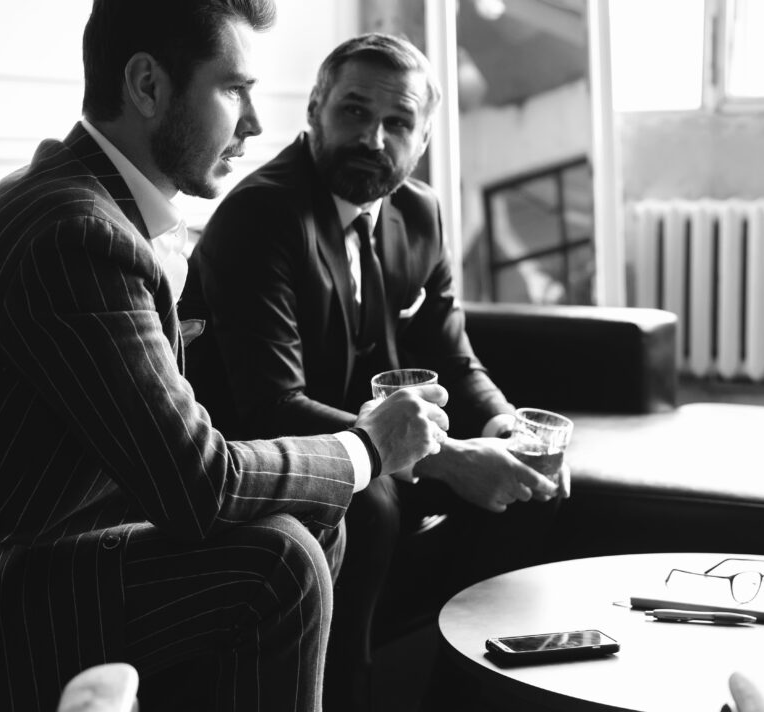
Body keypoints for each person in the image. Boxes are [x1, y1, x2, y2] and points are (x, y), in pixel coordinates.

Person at [0, 5, 449, 711]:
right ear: (148, 86)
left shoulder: (104, 211)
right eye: (234, 90)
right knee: (279, 561)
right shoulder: (75, 233)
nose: (253, 123)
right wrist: (368, 447)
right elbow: (199, 484)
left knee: (310, 515)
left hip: (34, 554)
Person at [181, 32, 568, 711]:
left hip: (389, 448)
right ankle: (348, 690)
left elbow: (455, 356)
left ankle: (473, 686)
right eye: (355, 113)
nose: (374, 137)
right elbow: (272, 403)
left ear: (422, 140)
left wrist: (506, 428)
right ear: (315, 111)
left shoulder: (420, 213)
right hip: (271, 455)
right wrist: (445, 459)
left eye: (398, 123)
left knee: (535, 482)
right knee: (373, 500)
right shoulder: (261, 215)